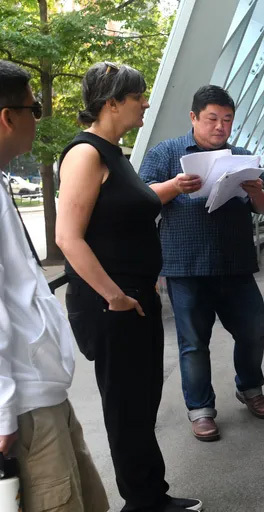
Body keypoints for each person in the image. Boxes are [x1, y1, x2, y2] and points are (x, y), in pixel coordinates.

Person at [56, 62, 201, 512]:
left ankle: (149, 495)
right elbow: (68, 236)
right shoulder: (86, 154)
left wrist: (171, 188)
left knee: (140, 401)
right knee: (126, 405)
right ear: (111, 102)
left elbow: (128, 206)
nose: (146, 102)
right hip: (112, 304)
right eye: (138, 95)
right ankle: (143, 502)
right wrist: (114, 296)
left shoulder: (114, 154)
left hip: (132, 299)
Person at [139, 85, 264, 442]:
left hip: (235, 265)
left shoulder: (243, 156)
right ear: (194, 118)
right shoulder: (167, 153)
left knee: (252, 330)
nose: (220, 127)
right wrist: (174, 186)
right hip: (185, 267)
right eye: (212, 119)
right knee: (193, 343)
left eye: (227, 120)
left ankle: (250, 387)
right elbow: (140, 197)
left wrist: (255, 190)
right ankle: (201, 409)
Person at [0, 59, 109, 512]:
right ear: (8, 117)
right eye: (34, 108)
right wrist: (3, 407)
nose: (36, 119)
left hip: (38, 393)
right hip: (21, 405)